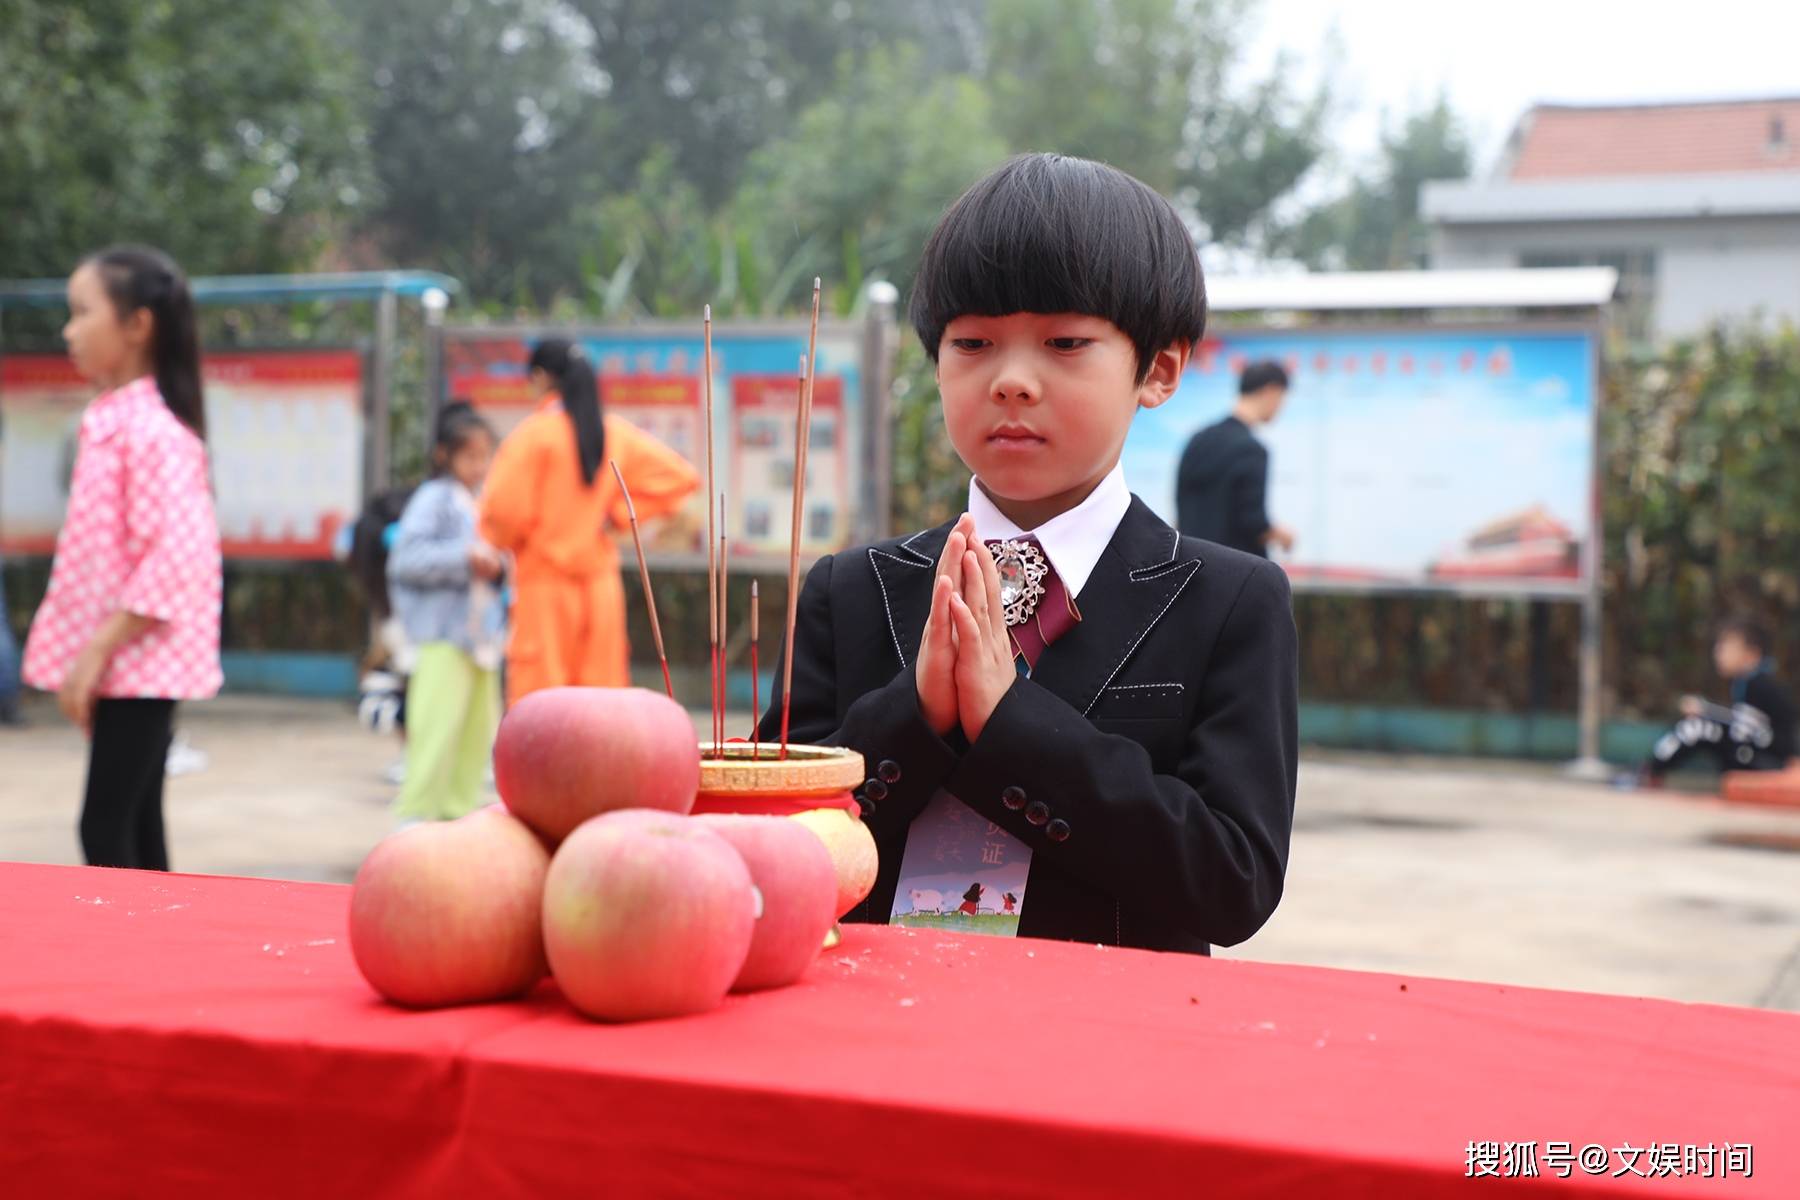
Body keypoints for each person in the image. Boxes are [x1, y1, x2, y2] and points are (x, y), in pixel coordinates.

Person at [761, 154, 1298, 955]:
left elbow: (1232, 885)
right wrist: (918, 716)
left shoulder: (1227, 601)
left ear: (1159, 369)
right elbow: (774, 842)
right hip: (871, 1041)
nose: (1012, 380)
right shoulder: (852, 590)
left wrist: (1010, 724)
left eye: (1065, 342)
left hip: (1101, 1053)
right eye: (972, 342)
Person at [21, 245, 222, 871]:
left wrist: (93, 654)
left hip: (142, 662)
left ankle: (142, 957)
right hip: (129, 664)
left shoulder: (154, 432)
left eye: (82, 313)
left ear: (138, 326)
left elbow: (175, 557)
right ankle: (162, 954)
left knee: (104, 826)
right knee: (133, 822)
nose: (69, 330)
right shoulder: (115, 421)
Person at [479, 339, 700, 705]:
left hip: (544, 587)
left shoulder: (532, 436)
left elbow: (501, 515)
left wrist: (508, 541)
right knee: (601, 703)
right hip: (599, 588)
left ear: (540, 377)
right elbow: (681, 478)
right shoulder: (615, 432)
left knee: (542, 706)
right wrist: (616, 516)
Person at [386, 406, 506, 822]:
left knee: (475, 741)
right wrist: (465, 558)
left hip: (482, 640)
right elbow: (408, 558)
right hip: (442, 639)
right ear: (444, 455)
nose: (479, 465)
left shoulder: (478, 501)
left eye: (484, 456)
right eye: (470, 456)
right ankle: (414, 823)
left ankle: (456, 823)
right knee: (435, 737)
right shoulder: (433, 498)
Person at [1637, 615, 1797, 784]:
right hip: (1754, 754)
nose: (1718, 653)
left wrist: (1706, 710)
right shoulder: (1746, 682)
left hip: (1766, 762)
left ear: (1751, 653)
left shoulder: (1759, 684)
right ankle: (1650, 771)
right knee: (1700, 723)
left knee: (1697, 726)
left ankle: (1649, 772)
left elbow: (1747, 728)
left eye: (1726, 647)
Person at [1175, 360, 1294, 557]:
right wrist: (1283, 536)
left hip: (1192, 563)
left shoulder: (1198, 439)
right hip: (1233, 569)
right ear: (1272, 392)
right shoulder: (1252, 450)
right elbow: (1253, 522)